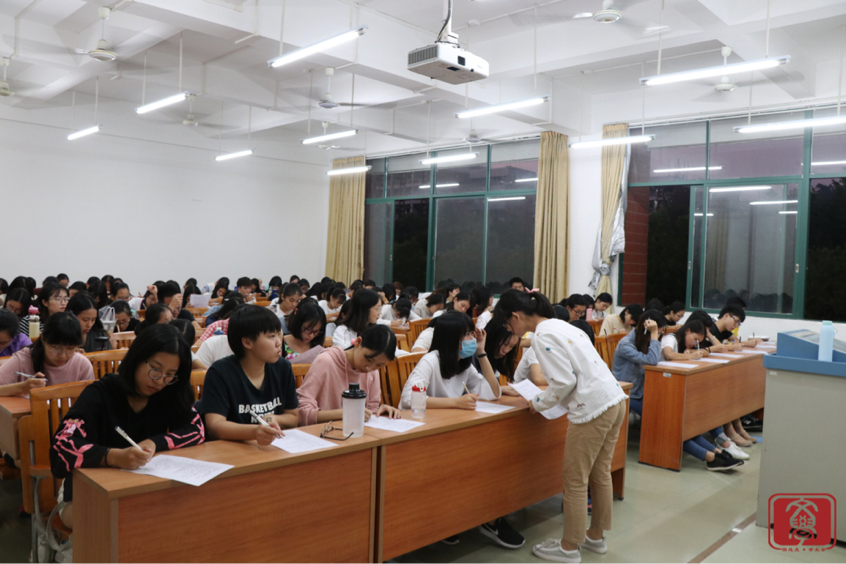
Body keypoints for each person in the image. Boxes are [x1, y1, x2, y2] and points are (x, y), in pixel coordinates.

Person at [491, 290, 629, 563]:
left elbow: (564, 383)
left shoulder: (542, 336)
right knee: (600, 472)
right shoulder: (563, 325)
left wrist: (538, 402)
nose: (511, 331)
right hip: (614, 400)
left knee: (575, 479)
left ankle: (568, 547)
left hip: (592, 409)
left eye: (508, 325)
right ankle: (596, 536)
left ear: (515, 317)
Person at [50, 324, 204, 529]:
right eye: (155, 369)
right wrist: (113, 456)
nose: (159, 381)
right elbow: (61, 447)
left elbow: (197, 430)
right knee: (122, 524)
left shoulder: (168, 394)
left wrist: (155, 443)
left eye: (170, 374)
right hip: (86, 492)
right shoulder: (100, 394)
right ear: (137, 358)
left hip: (141, 488)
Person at [612, 311, 745, 472]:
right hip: (628, 393)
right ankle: (709, 457)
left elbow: (657, 360)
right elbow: (652, 361)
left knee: (677, 420)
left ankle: (716, 452)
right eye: (658, 332)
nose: (658, 336)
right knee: (668, 424)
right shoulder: (626, 345)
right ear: (647, 328)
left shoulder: (644, 341)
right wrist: (654, 334)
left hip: (646, 391)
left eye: (660, 333)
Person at [201, 306, 298, 444]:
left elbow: (293, 417)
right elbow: (214, 426)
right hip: (232, 449)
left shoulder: (283, 367)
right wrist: (254, 432)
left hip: (272, 447)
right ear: (247, 342)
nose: (279, 342)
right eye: (271, 336)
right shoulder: (220, 373)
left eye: (279, 334)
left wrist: (271, 419)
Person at [657, 317, 752, 460]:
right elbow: (668, 354)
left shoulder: (687, 344)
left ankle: (723, 441)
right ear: (688, 331)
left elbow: (704, 352)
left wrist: (695, 352)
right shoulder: (670, 338)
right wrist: (689, 355)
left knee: (707, 403)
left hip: (678, 385)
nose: (695, 343)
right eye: (695, 339)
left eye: (698, 342)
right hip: (663, 385)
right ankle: (721, 445)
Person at [297, 325, 400, 426]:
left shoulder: (373, 372)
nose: (369, 368)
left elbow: (371, 412)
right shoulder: (326, 361)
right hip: (323, 431)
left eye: (379, 365)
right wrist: (344, 413)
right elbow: (302, 412)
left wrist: (380, 413)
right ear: (358, 342)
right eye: (368, 360)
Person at [399, 312, 501, 410]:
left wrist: (481, 352)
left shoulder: (463, 363)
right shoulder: (430, 360)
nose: (473, 339)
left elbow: (492, 393)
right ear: (452, 338)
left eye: (472, 333)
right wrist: (456, 402)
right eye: (467, 334)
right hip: (426, 418)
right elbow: (409, 398)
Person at [0, 313, 94, 397]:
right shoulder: (23, 359)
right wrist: (22, 387)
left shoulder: (82, 365)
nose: (62, 355)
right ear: (43, 339)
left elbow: (90, 401)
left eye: (70, 348)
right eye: (55, 348)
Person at [282, 300, 326, 364]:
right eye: (308, 330)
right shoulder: (280, 344)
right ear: (298, 323)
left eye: (316, 332)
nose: (311, 336)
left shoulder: (317, 348)